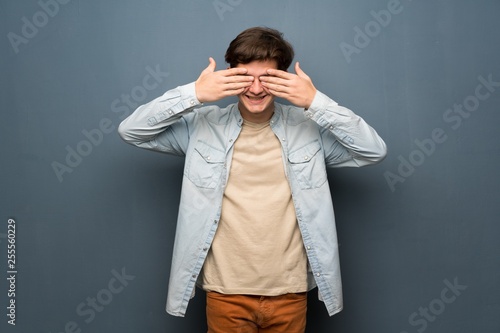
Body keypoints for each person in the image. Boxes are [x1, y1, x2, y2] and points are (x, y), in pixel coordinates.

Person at [118, 26, 387, 333]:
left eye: (268, 79)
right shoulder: (202, 127)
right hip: (225, 292)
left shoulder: (309, 128)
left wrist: (315, 101)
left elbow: (373, 150)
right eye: (246, 77)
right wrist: (193, 94)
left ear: (284, 78)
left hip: (290, 291)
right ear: (231, 75)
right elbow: (132, 130)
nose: (256, 89)